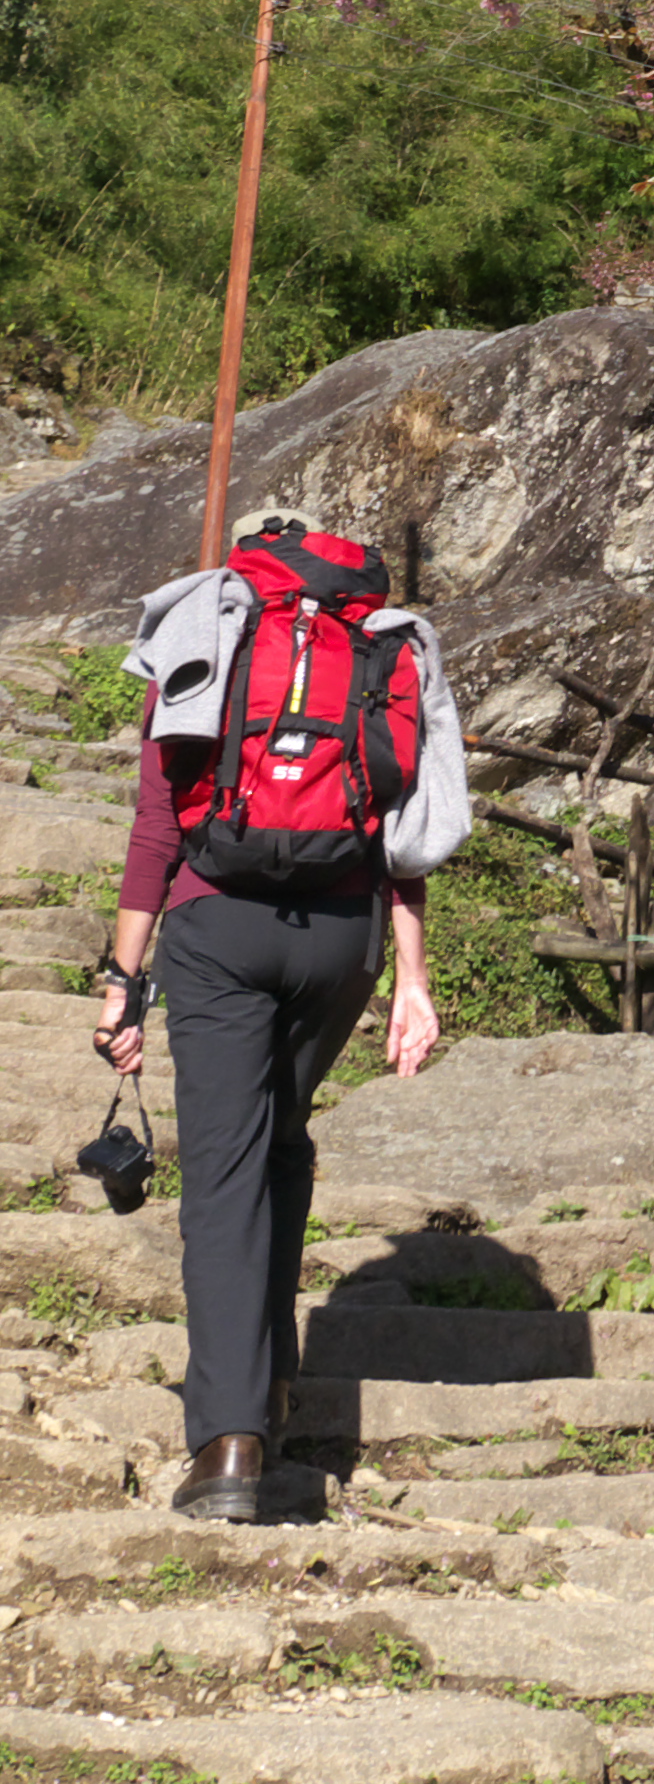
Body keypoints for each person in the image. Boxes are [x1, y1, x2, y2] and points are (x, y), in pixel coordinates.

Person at [95, 510, 468, 1522]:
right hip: (339, 940)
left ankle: (229, 1443)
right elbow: (404, 830)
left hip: (220, 931)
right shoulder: (381, 652)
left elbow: (158, 823)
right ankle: (277, 1383)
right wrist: (412, 976)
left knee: (222, 1176)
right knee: (279, 1142)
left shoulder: (211, 631)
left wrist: (123, 977)